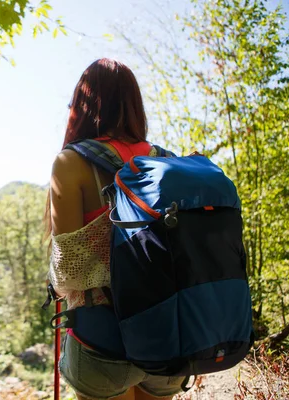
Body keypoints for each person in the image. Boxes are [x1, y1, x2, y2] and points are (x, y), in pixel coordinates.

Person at [46, 58, 185, 400]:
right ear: (134, 106)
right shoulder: (169, 162)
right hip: (169, 338)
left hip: (103, 340)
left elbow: (67, 274)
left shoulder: (71, 163)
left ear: (81, 105)